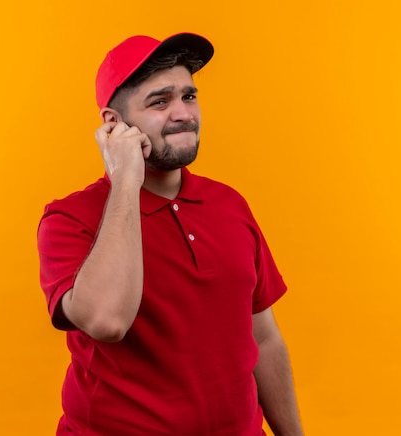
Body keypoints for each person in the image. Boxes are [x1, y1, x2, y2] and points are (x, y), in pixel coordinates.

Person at [37, 32, 303, 436]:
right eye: (160, 102)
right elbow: (108, 321)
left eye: (189, 96)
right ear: (113, 124)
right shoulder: (69, 219)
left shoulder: (229, 204)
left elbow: (263, 339)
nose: (183, 114)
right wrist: (125, 179)